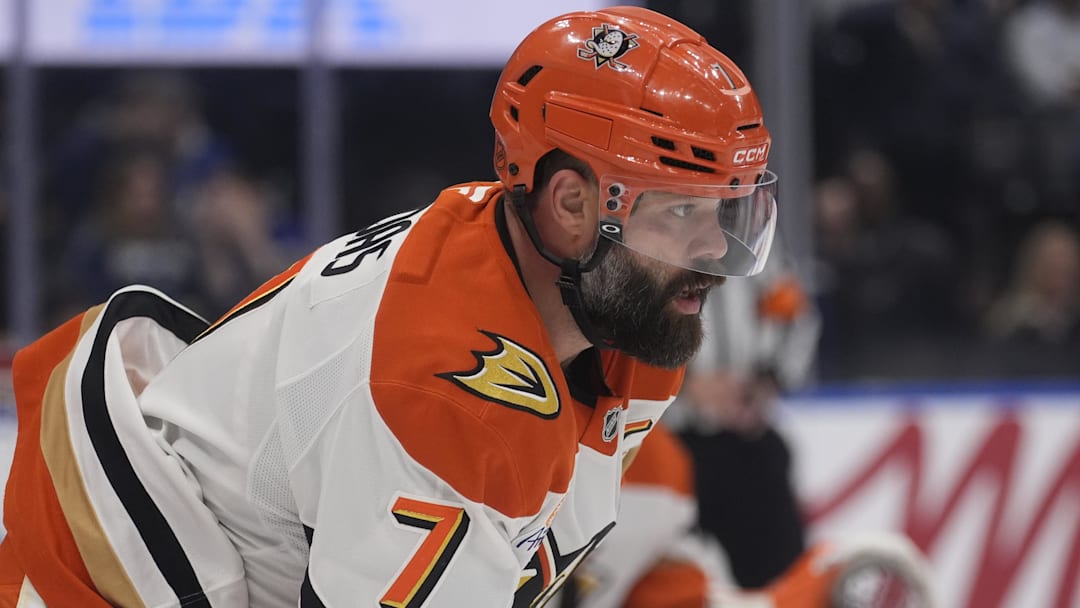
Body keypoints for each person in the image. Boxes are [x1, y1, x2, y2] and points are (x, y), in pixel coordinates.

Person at [0, 7, 780, 607]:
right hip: (108, 580)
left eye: (730, 211)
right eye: (680, 211)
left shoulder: (611, 308)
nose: (714, 250)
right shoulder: (445, 393)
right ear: (571, 204)